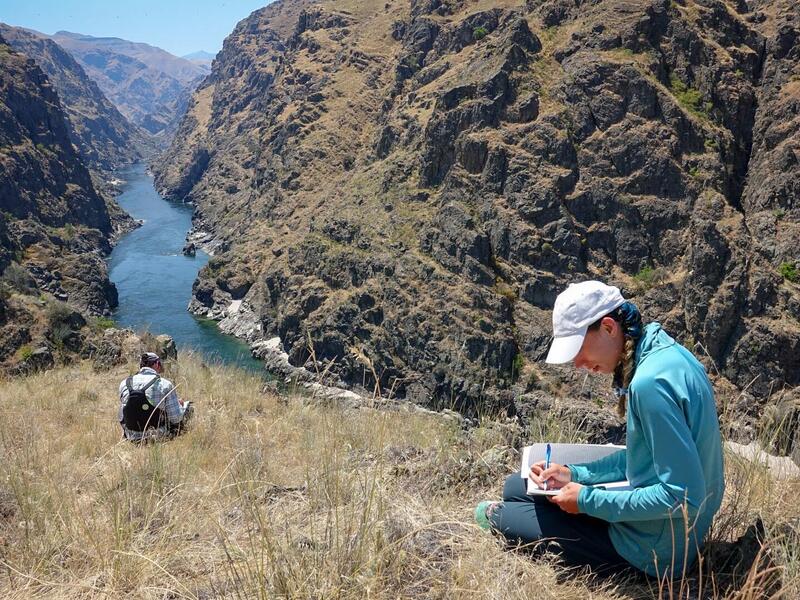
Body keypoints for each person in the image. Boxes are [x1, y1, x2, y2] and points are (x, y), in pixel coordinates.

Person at [475, 280, 725, 580]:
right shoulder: (663, 354)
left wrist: (586, 500)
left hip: (653, 550)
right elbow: (643, 458)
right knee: (517, 486)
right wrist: (573, 475)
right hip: (668, 530)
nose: (578, 363)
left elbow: (683, 497)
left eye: (578, 348)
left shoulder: (649, 386)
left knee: (499, 515)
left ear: (609, 327)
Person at [118, 352, 193, 442]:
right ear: (157, 364)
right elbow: (176, 418)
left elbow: (123, 414)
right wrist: (181, 406)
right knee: (188, 407)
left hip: (131, 435)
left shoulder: (125, 383)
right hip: (156, 435)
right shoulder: (165, 384)